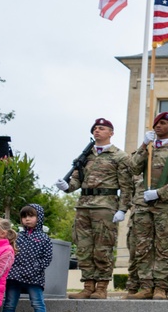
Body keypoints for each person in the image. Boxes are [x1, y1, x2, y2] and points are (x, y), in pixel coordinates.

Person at [56, 118, 133, 300]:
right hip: (83, 205)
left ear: (111, 133)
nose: (97, 131)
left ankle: (101, 287)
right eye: (95, 128)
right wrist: (67, 187)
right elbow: (77, 179)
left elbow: (127, 185)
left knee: (103, 247)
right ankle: (88, 286)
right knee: (83, 248)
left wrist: (123, 209)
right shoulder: (86, 156)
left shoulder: (119, 156)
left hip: (105, 205)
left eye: (102, 128)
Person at [125, 111, 168, 300]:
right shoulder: (148, 148)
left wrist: (160, 193)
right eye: (156, 124)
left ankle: (161, 287)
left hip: (165, 206)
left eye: (163, 123)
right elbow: (133, 168)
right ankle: (145, 285)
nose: (158, 126)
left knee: (163, 247)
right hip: (143, 205)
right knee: (143, 246)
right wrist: (144, 145)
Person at [0, 204, 52, 312]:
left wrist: (35, 268)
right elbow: (10, 252)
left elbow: (47, 258)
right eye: (24, 216)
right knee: (9, 303)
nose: (27, 219)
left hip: (34, 277)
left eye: (31, 216)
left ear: (39, 217)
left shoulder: (44, 238)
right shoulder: (17, 236)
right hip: (14, 276)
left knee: (37, 303)